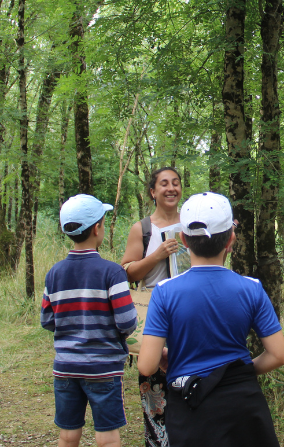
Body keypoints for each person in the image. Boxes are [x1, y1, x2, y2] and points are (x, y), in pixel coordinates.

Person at [137, 192, 284, 447]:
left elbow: (146, 366)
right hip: (243, 406)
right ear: (231, 239)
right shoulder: (251, 288)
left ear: (183, 239)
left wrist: (165, 357)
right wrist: (234, 373)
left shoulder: (164, 292)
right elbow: (279, 355)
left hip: (189, 408)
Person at [41, 194, 138, 447]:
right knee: (107, 437)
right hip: (103, 369)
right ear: (97, 228)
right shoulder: (113, 272)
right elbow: (127, 322)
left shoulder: (54, 273)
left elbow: (47, 320)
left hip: (65, 368)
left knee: (67, 434)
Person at [120, 167, 183, 447]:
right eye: (164, 184)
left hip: (188, 312)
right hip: (154, 313)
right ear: (153, 192)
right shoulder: (143, 228)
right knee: (154, 381)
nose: (171, 189)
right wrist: (157, 256)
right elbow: (127, 271)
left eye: (176, 183)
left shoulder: (191, 224)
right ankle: (158, 440)